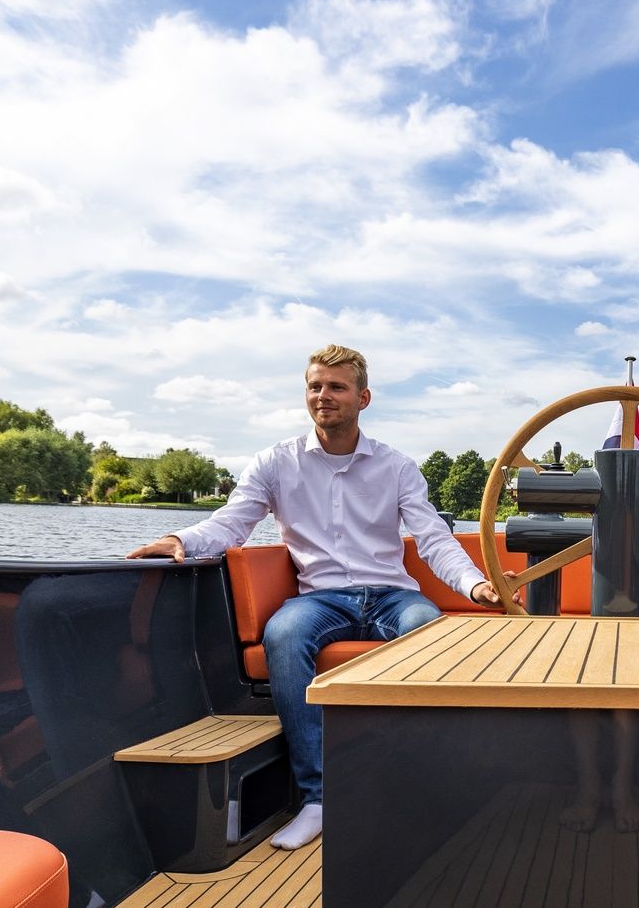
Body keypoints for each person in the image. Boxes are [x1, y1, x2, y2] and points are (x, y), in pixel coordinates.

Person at [127, 344, 499, 849]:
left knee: (427, 632)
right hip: (320, 598)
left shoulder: (396, 467)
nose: (323, 396)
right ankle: (318, 799)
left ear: (363, 398)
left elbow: (433, 538)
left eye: (337, 387)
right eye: (315, 386)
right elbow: (232, 522)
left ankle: (415, 780)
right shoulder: (275, 463)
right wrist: (181, 540)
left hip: (391, 595)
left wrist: (474, 584)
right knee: (283, 633)